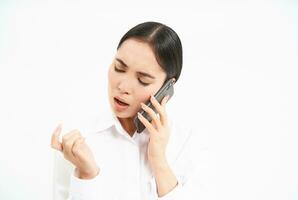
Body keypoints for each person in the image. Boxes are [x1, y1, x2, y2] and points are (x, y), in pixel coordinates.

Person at [51, 21, 208, 200]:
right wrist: (86, 176)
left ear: (167, 86)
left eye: (143, 80)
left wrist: (159, 161)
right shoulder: (78, 141)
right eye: (119, 68)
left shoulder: (188, 142)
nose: (123, 87)